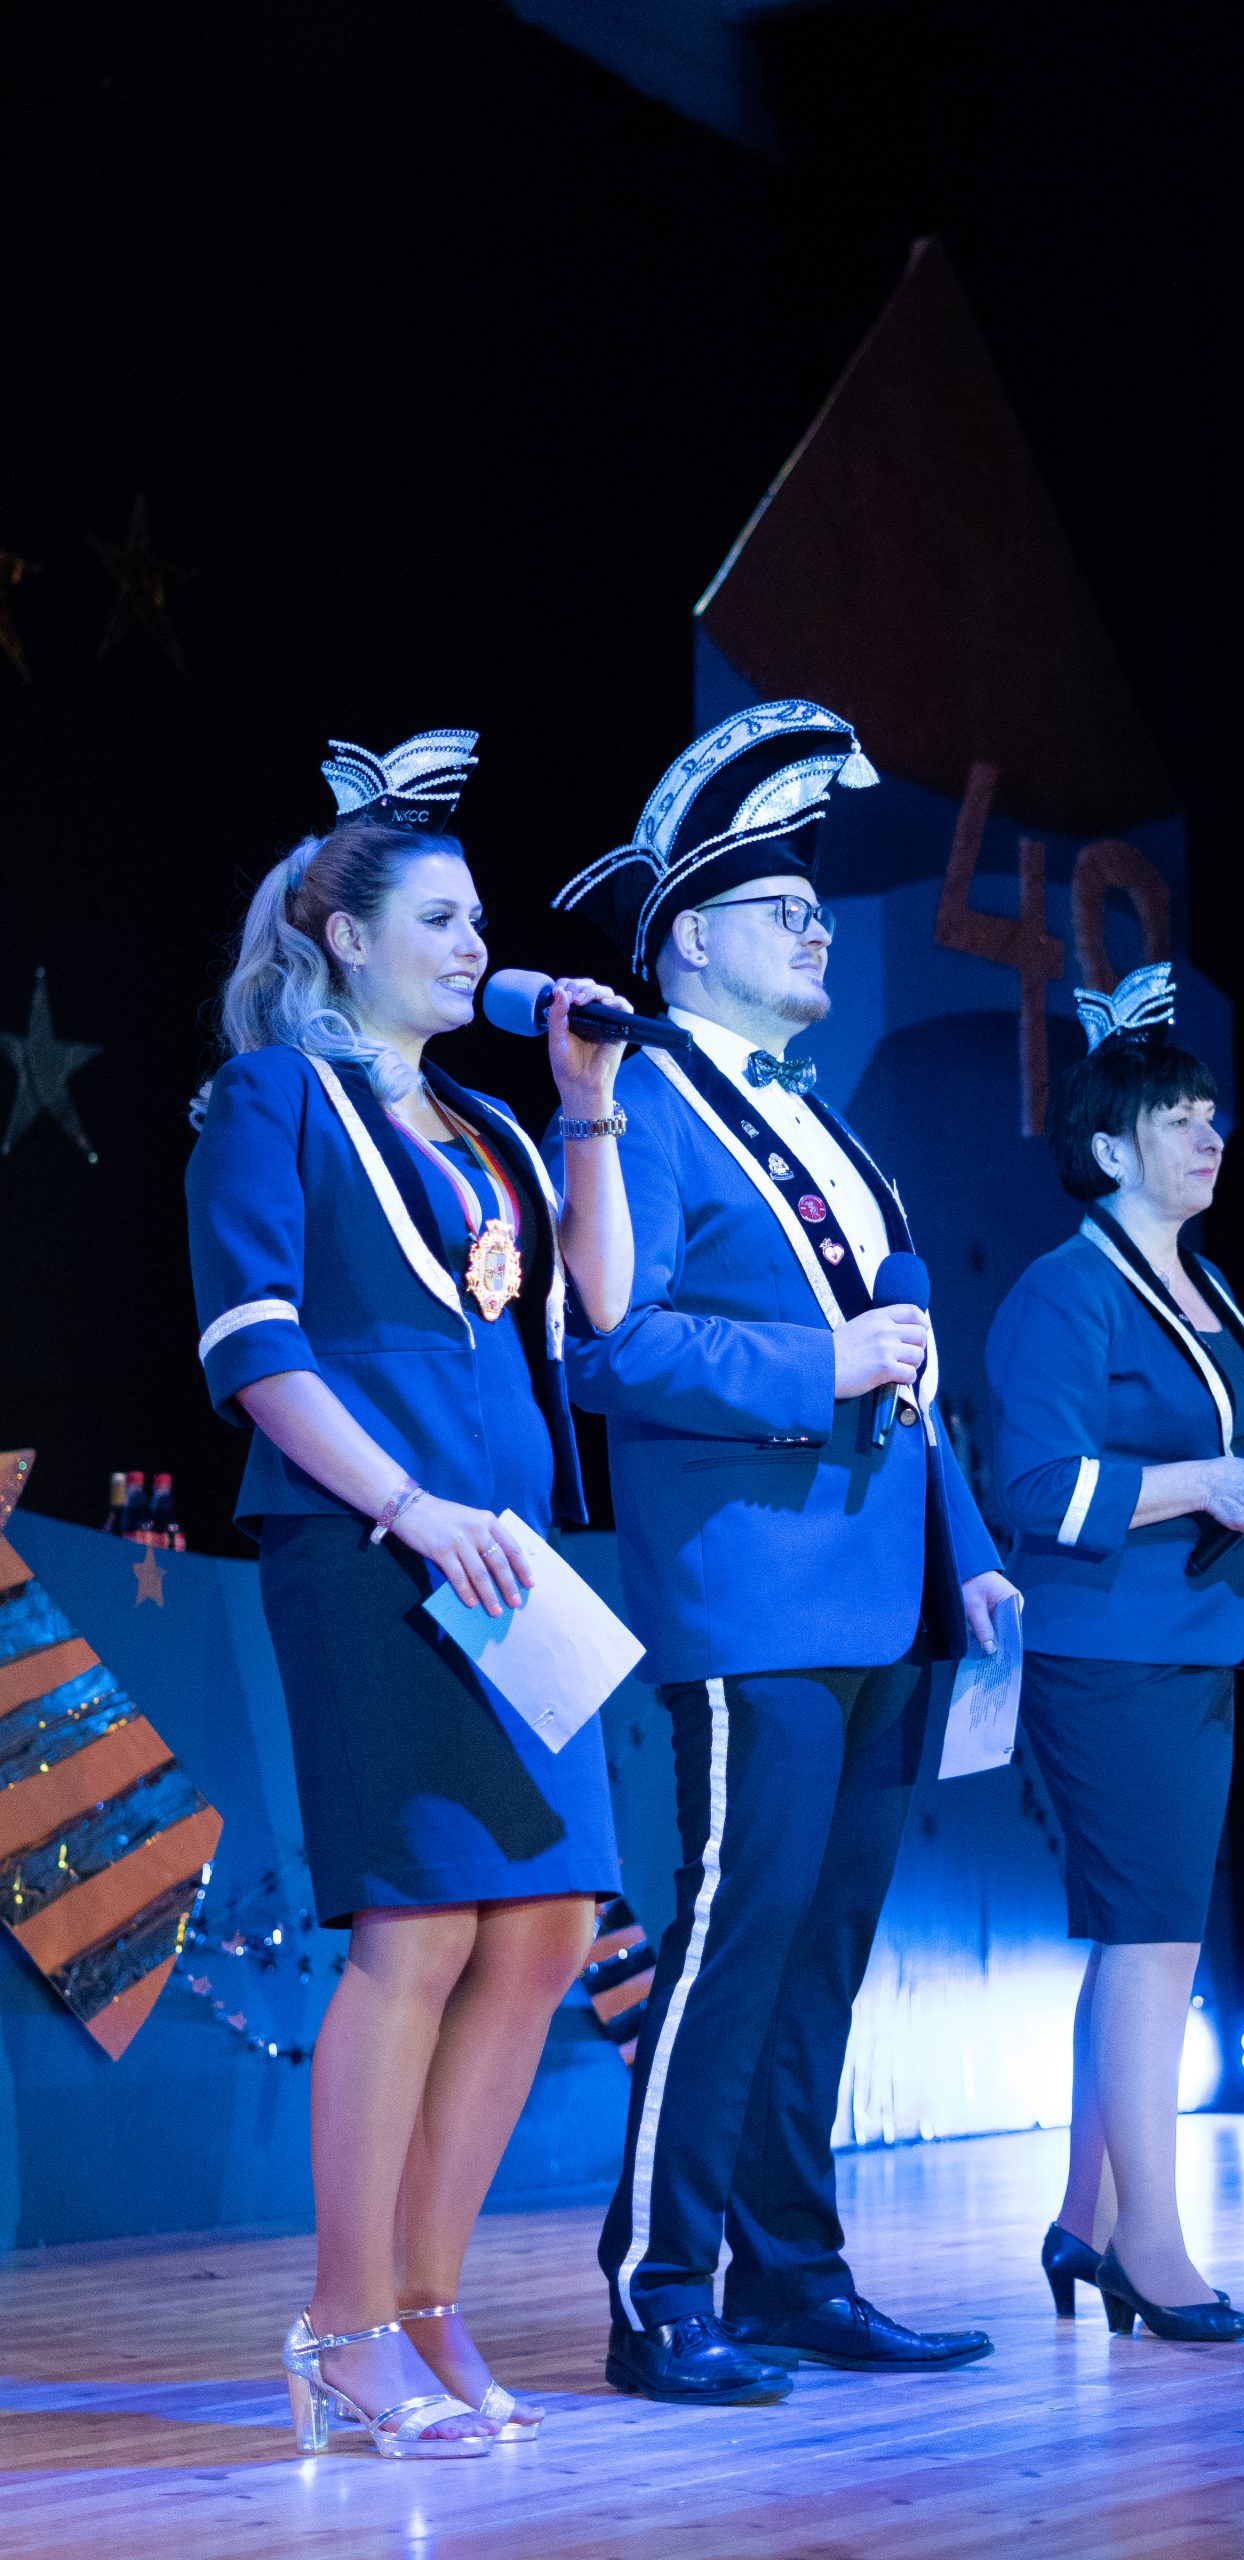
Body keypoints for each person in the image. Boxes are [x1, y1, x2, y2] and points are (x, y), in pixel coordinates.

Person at [551, 699, 1018, 2405]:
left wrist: (969, 1546)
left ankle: (794, 2272)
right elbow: (608, 1346)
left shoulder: (824, 1120)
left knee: (826, 1949)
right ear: (688, 938)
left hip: (886, 1587)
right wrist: (812, 1364)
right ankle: (660, 2284)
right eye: (783, 909)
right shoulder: (643, 1105)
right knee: (737, 1934)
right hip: (752, 1584)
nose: (818, 929)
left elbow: (908, 1356)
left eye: (819, 910)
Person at [186, 730, 635, 2458]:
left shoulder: (495, 1126)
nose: (477, 946)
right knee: (420, 1925)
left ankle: (432, 2302)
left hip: (510, 1559)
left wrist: (587, 1105)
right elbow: (256, 1352)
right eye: (441, 920)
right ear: (343, 937)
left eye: (479, 920)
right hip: (370, 1544)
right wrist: (406, 1505)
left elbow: (598, 1309)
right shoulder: (271, 1100)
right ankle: (345, 2322)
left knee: (549, 1926)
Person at [984, 963, 1244, 2346]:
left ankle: (1087, 2217)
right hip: (1109, 1651)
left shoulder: (1203, 1282)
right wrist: (1207, 1482)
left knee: (1147, 1943)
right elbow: (1037, 1487)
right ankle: (1152, 2247)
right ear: (1109, 1147)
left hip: (1192, 1641)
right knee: (1152, 1942)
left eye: (1210, 1114)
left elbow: (1221, 1439)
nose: (1208, 1135)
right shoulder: (1064, 1294)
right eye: (1178, 1119)